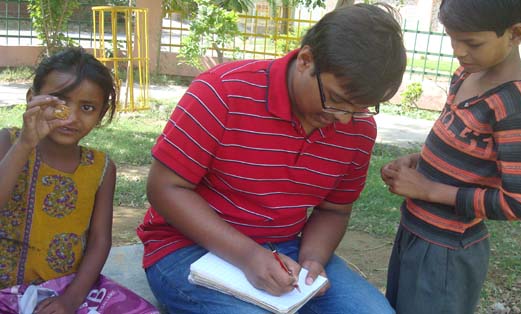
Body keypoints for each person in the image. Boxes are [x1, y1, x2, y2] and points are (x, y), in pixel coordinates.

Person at [137, 3, 406, 314]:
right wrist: (249, 256)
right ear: (306, 60)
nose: (344, 120)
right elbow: (164, 188)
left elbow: (334, 210)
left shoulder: (358, 128)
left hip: (284, 249)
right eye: (336, 100)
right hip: (186, 248)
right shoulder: (222, 92)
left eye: (359, 108)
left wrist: (313, 260)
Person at [381, 1, 521, 313]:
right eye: (452, 38)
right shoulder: (467, 75)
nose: (459, 50)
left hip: (446, 254)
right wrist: (416, 162)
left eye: (472, 42)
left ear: (515, 34)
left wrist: (428, 190)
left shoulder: (513, 109)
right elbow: (462, 145)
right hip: (415, 234)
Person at [0, 48, 157, 314]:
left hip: (66, 289)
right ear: (32, 98)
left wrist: (71, 299)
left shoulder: (101, 168)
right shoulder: (9, 142)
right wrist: (26, 143)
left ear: (101, 112)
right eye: (59, 103)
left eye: (86, 107)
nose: (72, 118)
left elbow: (99, 242)